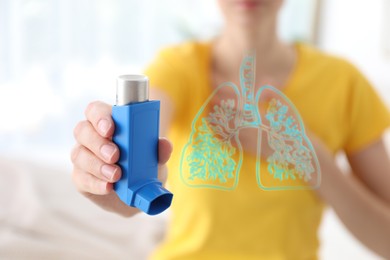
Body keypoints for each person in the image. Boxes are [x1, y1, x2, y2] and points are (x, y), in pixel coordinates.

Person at [71, 0, 390, 259]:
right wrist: (118, 176)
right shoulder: (178, 69)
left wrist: (307, 154)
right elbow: (141, 159)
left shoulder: (343, 84)